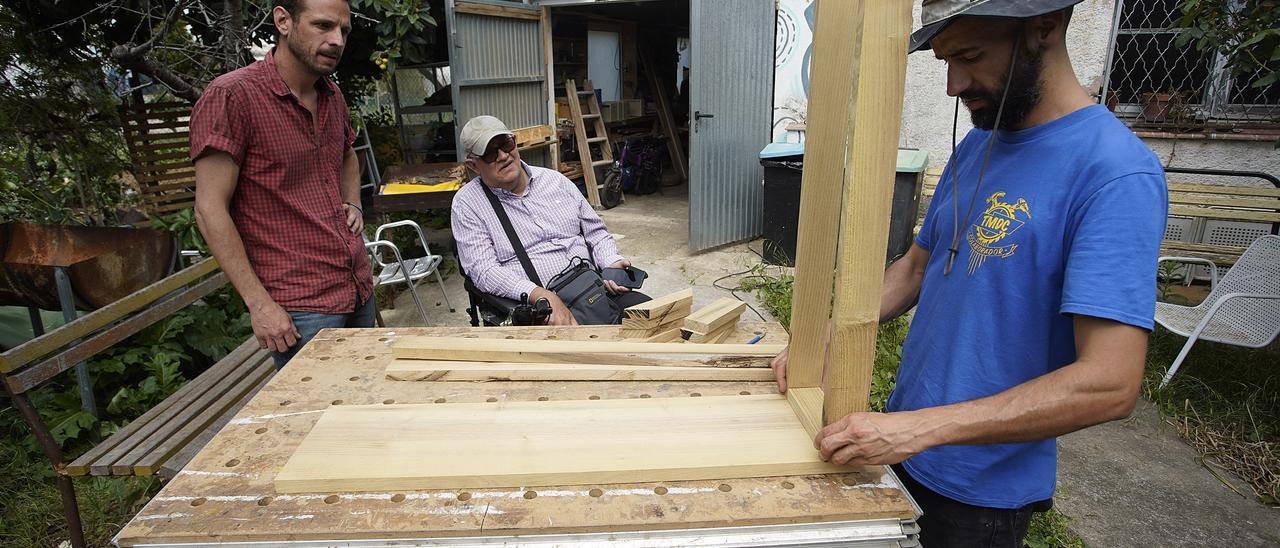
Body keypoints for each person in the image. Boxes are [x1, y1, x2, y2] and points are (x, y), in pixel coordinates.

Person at [771, 1, 1167, 545]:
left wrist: (919, 429)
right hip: (904, 448)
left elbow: (1110, 384)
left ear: (1044, 28)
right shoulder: (981, 141)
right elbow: (916, 267)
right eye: (945, 61)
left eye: (972, 56)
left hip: (978, 497)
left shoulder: (1115, 173)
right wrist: (828, 338)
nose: (955, 84)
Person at [192, 0, 374, 369]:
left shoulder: (331, 94)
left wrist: (353, 203)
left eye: (343, 31)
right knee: (312, 422)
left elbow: (347, 154)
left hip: (356, 287)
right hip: (301, 309)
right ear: (283, 21)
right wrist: (259, 305)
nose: (336, 40)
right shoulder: (232, 96)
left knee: (359, 412)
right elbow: (209, 211)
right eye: (323, 26)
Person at [451, 115, 649, 326]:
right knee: (593, 355)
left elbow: (595, 232)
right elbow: (484, 271)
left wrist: (610, 262)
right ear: (473, 165)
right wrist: (539, 295)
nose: (503, 156)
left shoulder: (554, 180)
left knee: (657, 323)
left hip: (594, 288)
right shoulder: (467, 205)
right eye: (490, 153)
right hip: (541, 308)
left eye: (506, 144)